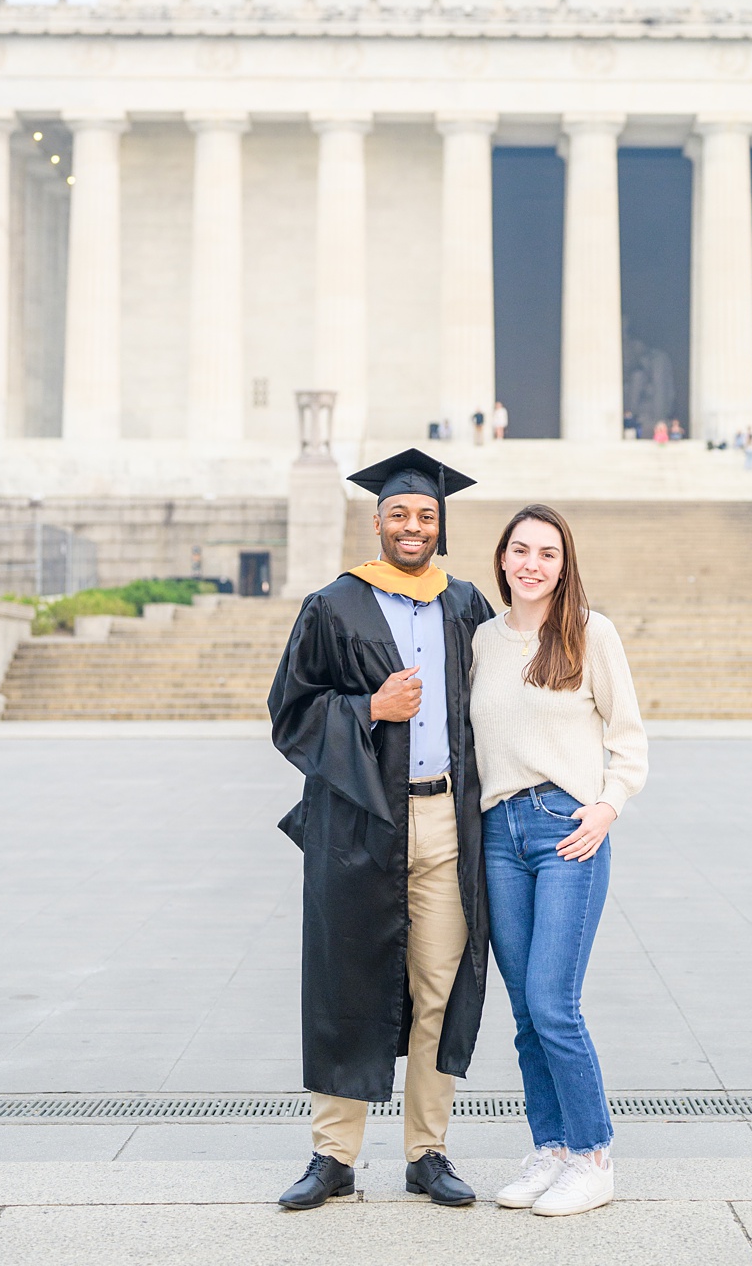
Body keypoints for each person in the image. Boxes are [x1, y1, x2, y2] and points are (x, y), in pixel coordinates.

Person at [267, 448, 496, 1212]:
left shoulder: (465, 605)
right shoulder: (335, 605)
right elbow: (290, 713)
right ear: (376, 522)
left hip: (447, 821)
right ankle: (333, 1155)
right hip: (361, 823)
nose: (413, 525)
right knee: (346, 981)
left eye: (426, 514)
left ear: (440, 525)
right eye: (399, 513)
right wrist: (370, 708)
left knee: (438, 985)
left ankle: (427, 1153)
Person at [471, 504, 648, 1219]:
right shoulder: (481, 639)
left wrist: (607, 807)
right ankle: (550, 1150)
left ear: (564, 564)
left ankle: (594, 1155)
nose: (532, 564)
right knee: (523, 1012)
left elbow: (629, 734)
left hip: (565, 827)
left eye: (548, 553)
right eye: (521, 550)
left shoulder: (589, 632)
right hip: (497, 832)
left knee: (553, 1001)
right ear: (503, 559)